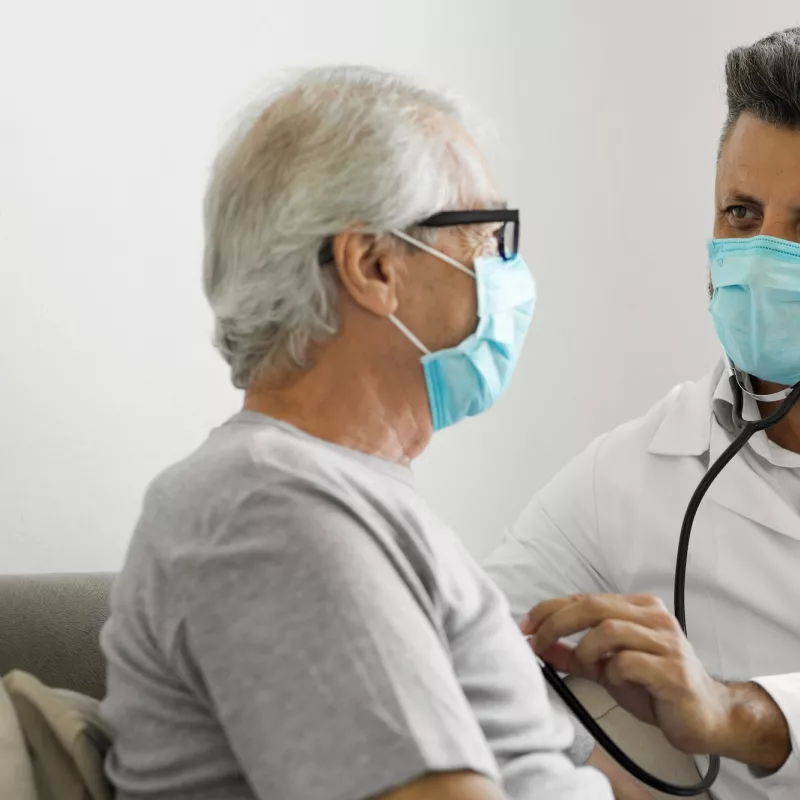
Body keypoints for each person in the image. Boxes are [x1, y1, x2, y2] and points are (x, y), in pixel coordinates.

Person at [99, 66, 618, 800]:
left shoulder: (339, 494)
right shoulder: (270, 507)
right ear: (373, 266)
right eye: (485, 234)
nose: (508, 268)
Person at [484, 27, 800, 800]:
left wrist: (738, 713)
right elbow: (465, 646)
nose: (759, 256)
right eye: (739, 212)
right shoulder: (628, 476)